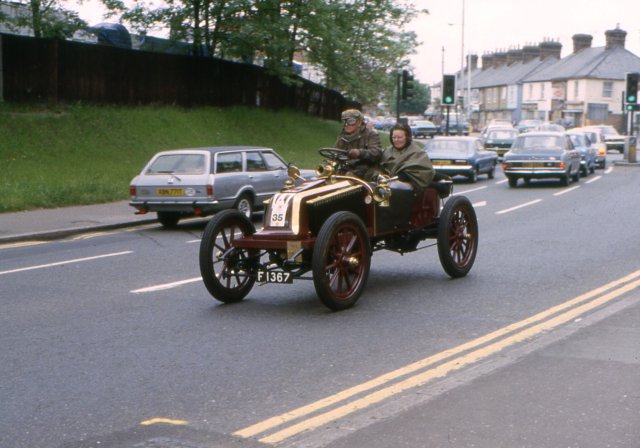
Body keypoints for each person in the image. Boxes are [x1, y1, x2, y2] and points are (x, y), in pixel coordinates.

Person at [380, 123, 434, 190]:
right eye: (394, 137)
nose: (396, 140)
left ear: (407, 137)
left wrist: (402, 176)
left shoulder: (417, 153)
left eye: (399, 137)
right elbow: (379, 168)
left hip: (409, 187)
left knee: (394, 186)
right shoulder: (387, 151)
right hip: (385, 183)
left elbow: (424, 173)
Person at [334, 109, 382, 180]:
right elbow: (335, 153)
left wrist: (359, 153)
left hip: (365, 168)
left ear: (359, 122)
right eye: (344, 121)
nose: (346, 124)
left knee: (348, 177)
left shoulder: (371, 134)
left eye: (350, 121)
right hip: (346, 167)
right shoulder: (342, 137)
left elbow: (376, 153)